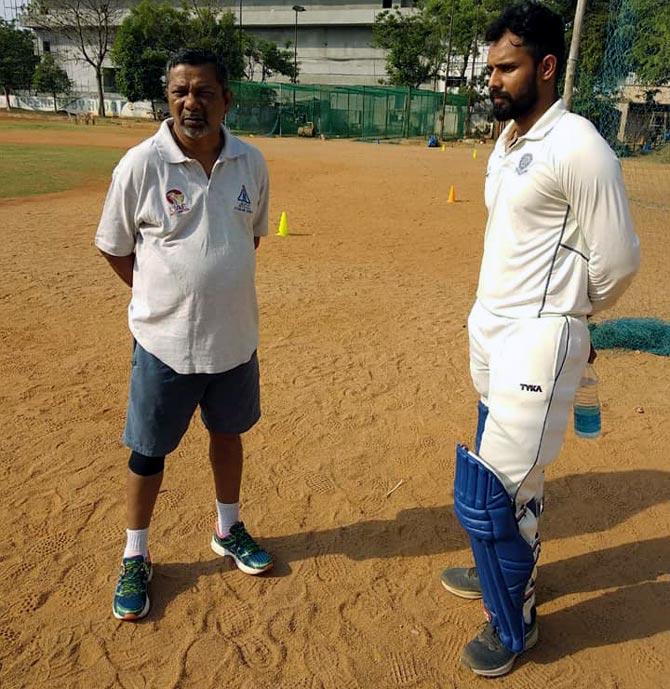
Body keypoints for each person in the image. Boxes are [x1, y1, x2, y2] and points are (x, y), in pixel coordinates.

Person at [439, 2, 640, 677]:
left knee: (488, 492)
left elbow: (618, 260)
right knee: (514, 479)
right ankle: (504, 569)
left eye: (507, 67)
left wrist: (570, 318)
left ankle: (514, 618)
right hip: (492, 331)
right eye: (491, 67)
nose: (492, 79)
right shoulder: (508, 143)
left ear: (546, 67)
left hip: (538, 339)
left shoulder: (577, 143)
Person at [95, 48, 273, 622]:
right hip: (163, 345)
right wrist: (159, 299)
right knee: (148, 452)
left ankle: (228, 529)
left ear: (227, 98)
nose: (190, 103)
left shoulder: (251, 163)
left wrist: (211, 284)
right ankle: (136, 552)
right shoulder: (141, 164)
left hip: (233, 341)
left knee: (228, 436)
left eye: (203, 92)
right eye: (179, 92)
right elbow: (115, 246)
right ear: (167, 98)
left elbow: (249, 240)